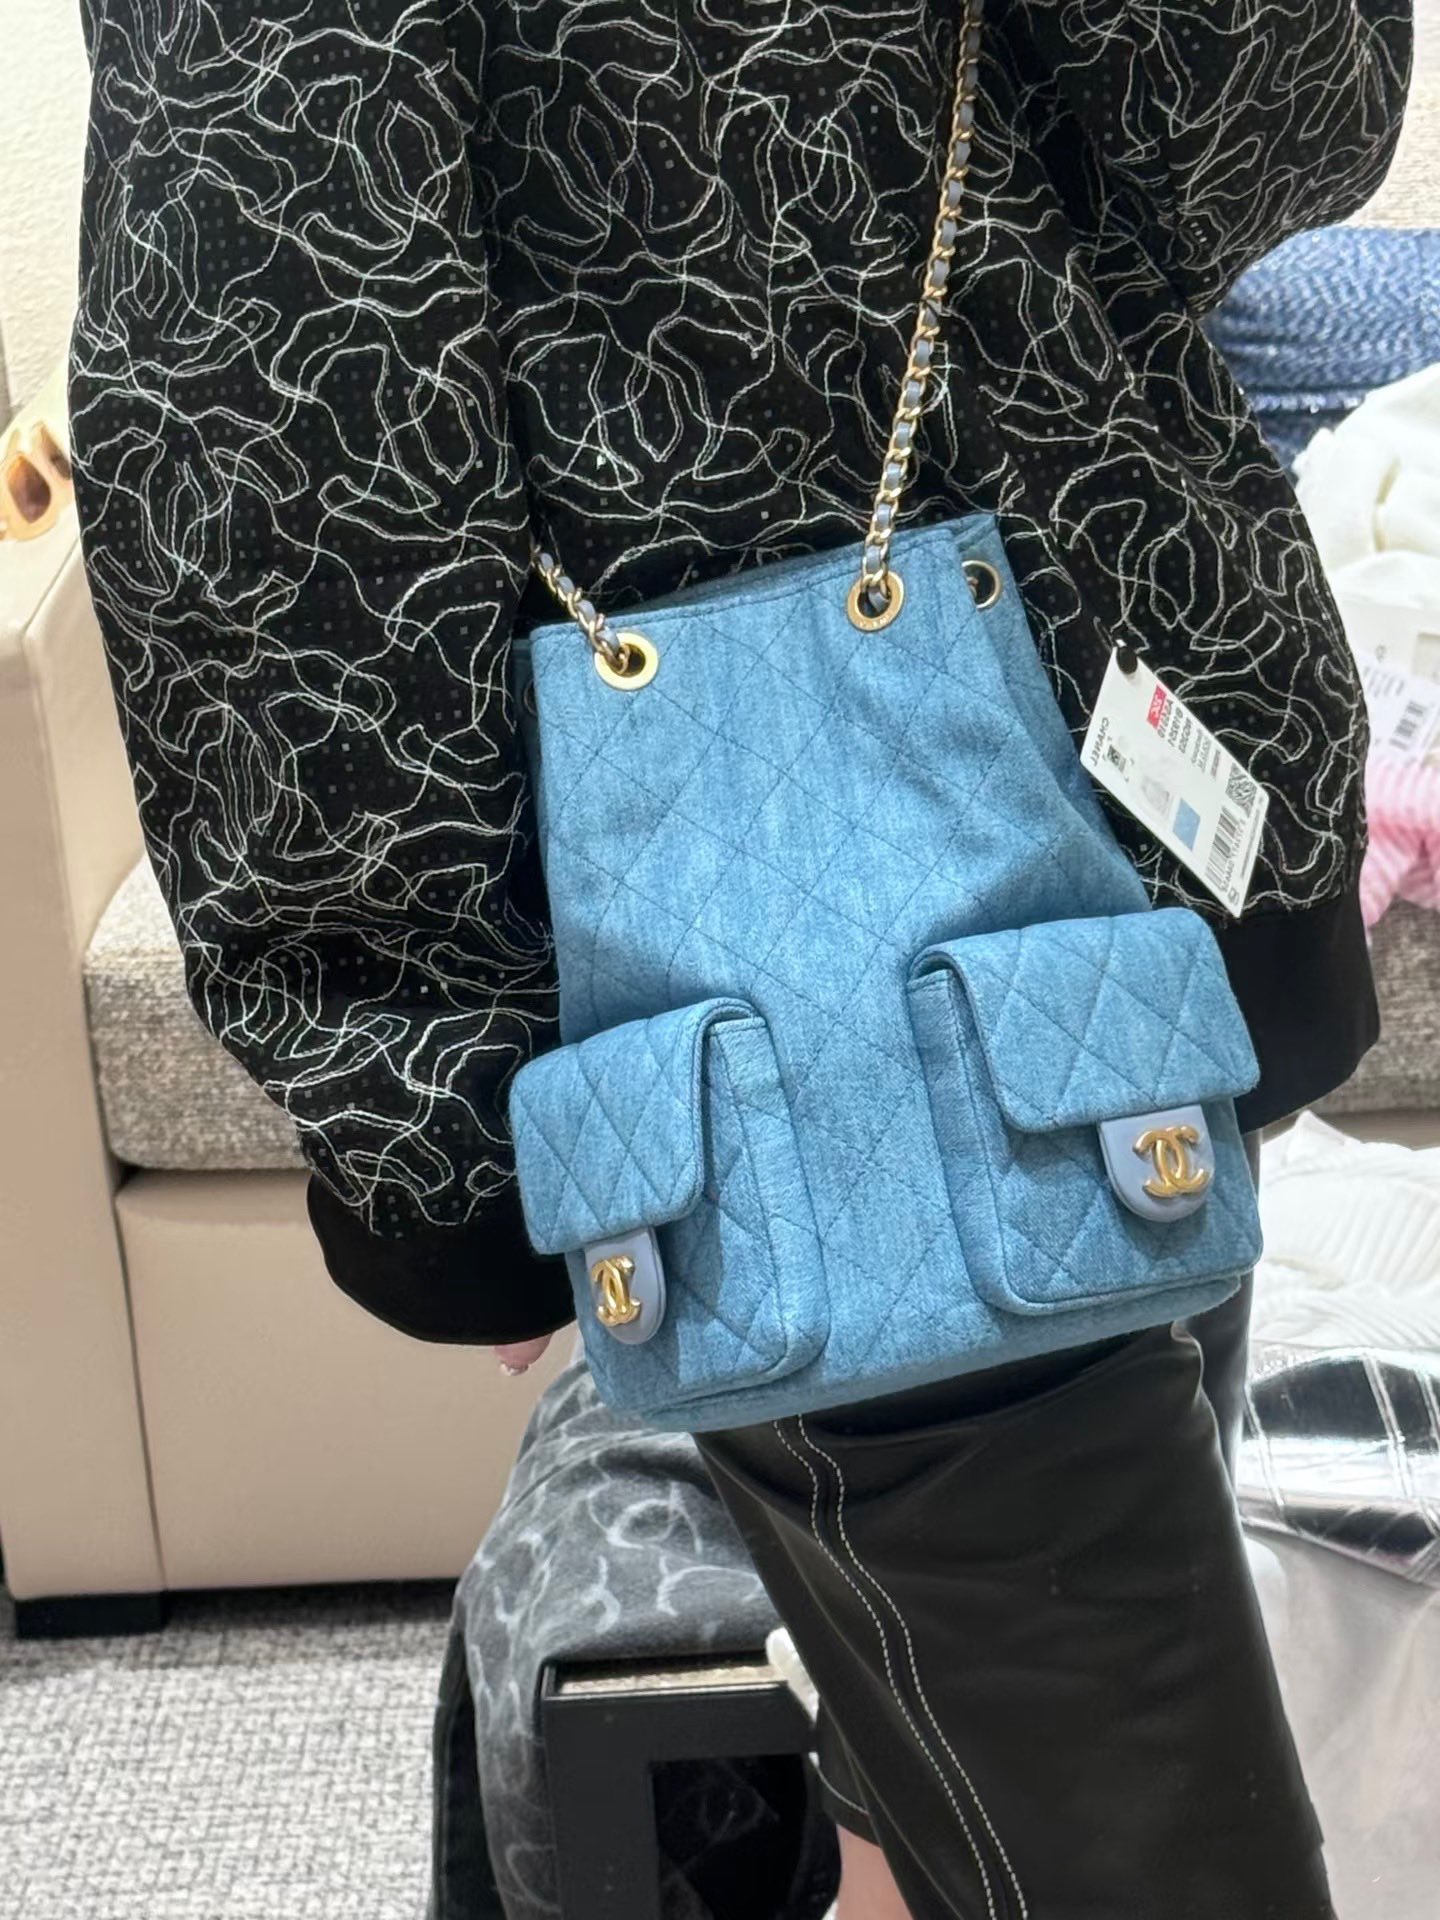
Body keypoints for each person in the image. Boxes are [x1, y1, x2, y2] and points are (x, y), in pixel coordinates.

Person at [70, 2, 1411, 1914]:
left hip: (1094, 860)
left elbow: (1264, 132)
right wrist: (443, 1093)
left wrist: (438, 1129)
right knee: (1121, 1824)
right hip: (922, 924)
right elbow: (276, 402)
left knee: (973, 1794)